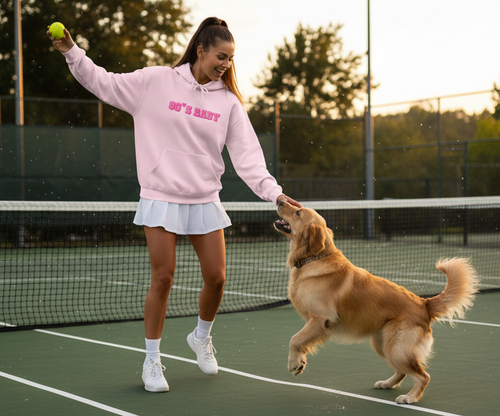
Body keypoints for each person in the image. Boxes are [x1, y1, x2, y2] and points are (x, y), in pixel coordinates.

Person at [48, 17, 301, 392]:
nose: (225, 65)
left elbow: (249, 159)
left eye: (230, 59)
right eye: (220, 56)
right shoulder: (155, 81)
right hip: (161, 196)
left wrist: (274, 193)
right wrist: (72, 52)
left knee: (217, 278)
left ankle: (201, 337)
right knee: (163, 277)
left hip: (204, 198)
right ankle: (152, 361)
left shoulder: (229, 103)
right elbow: (102, 81)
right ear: (200, 50)